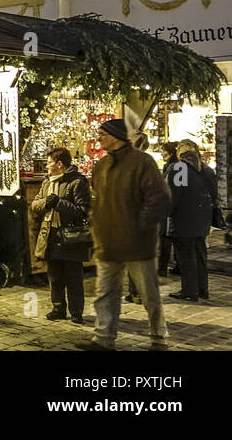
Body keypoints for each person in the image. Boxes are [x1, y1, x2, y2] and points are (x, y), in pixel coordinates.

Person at [83, 118, 170, 351]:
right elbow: (98, 199)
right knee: (105, 294)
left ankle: (159, 337)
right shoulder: (102, 166)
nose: (99, 138)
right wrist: (96, 225)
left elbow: (159, 197)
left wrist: (142, 225)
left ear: (115, 136)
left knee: (149, 294)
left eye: (103, 134)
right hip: (108, 241)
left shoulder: (142, 162)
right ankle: (103, 338)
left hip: (136, 243)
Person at [31, 147, 92, 323]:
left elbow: (83, 211)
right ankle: (58, 308)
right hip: (51, 234)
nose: (47, 166)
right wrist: (46, 202)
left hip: (71, 236)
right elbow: (35, 206)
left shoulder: (77, 182)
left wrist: (59, 203)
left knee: (73, 276)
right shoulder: (47, 183)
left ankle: (76, 312)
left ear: (59, 164)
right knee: (55, 275)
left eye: (49, 162)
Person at [167, 139, 217, 301]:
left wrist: (166, 212)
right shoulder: (206, 169)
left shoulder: (180, 168)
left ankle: (189, 291)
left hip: (184, 219)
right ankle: (203, 288)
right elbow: (214, 194)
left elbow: (174, 195)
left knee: (186, 256)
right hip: (202, 219)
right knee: (200, 253)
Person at [158, 142, 181, 276]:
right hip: (169, 207)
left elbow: (174, 189)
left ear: (171, 152)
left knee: (166, 238)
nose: (162, 153)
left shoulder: (176, 167)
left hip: (169, 209)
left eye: (164, 151)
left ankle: (162, 268)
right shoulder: (172, 166)